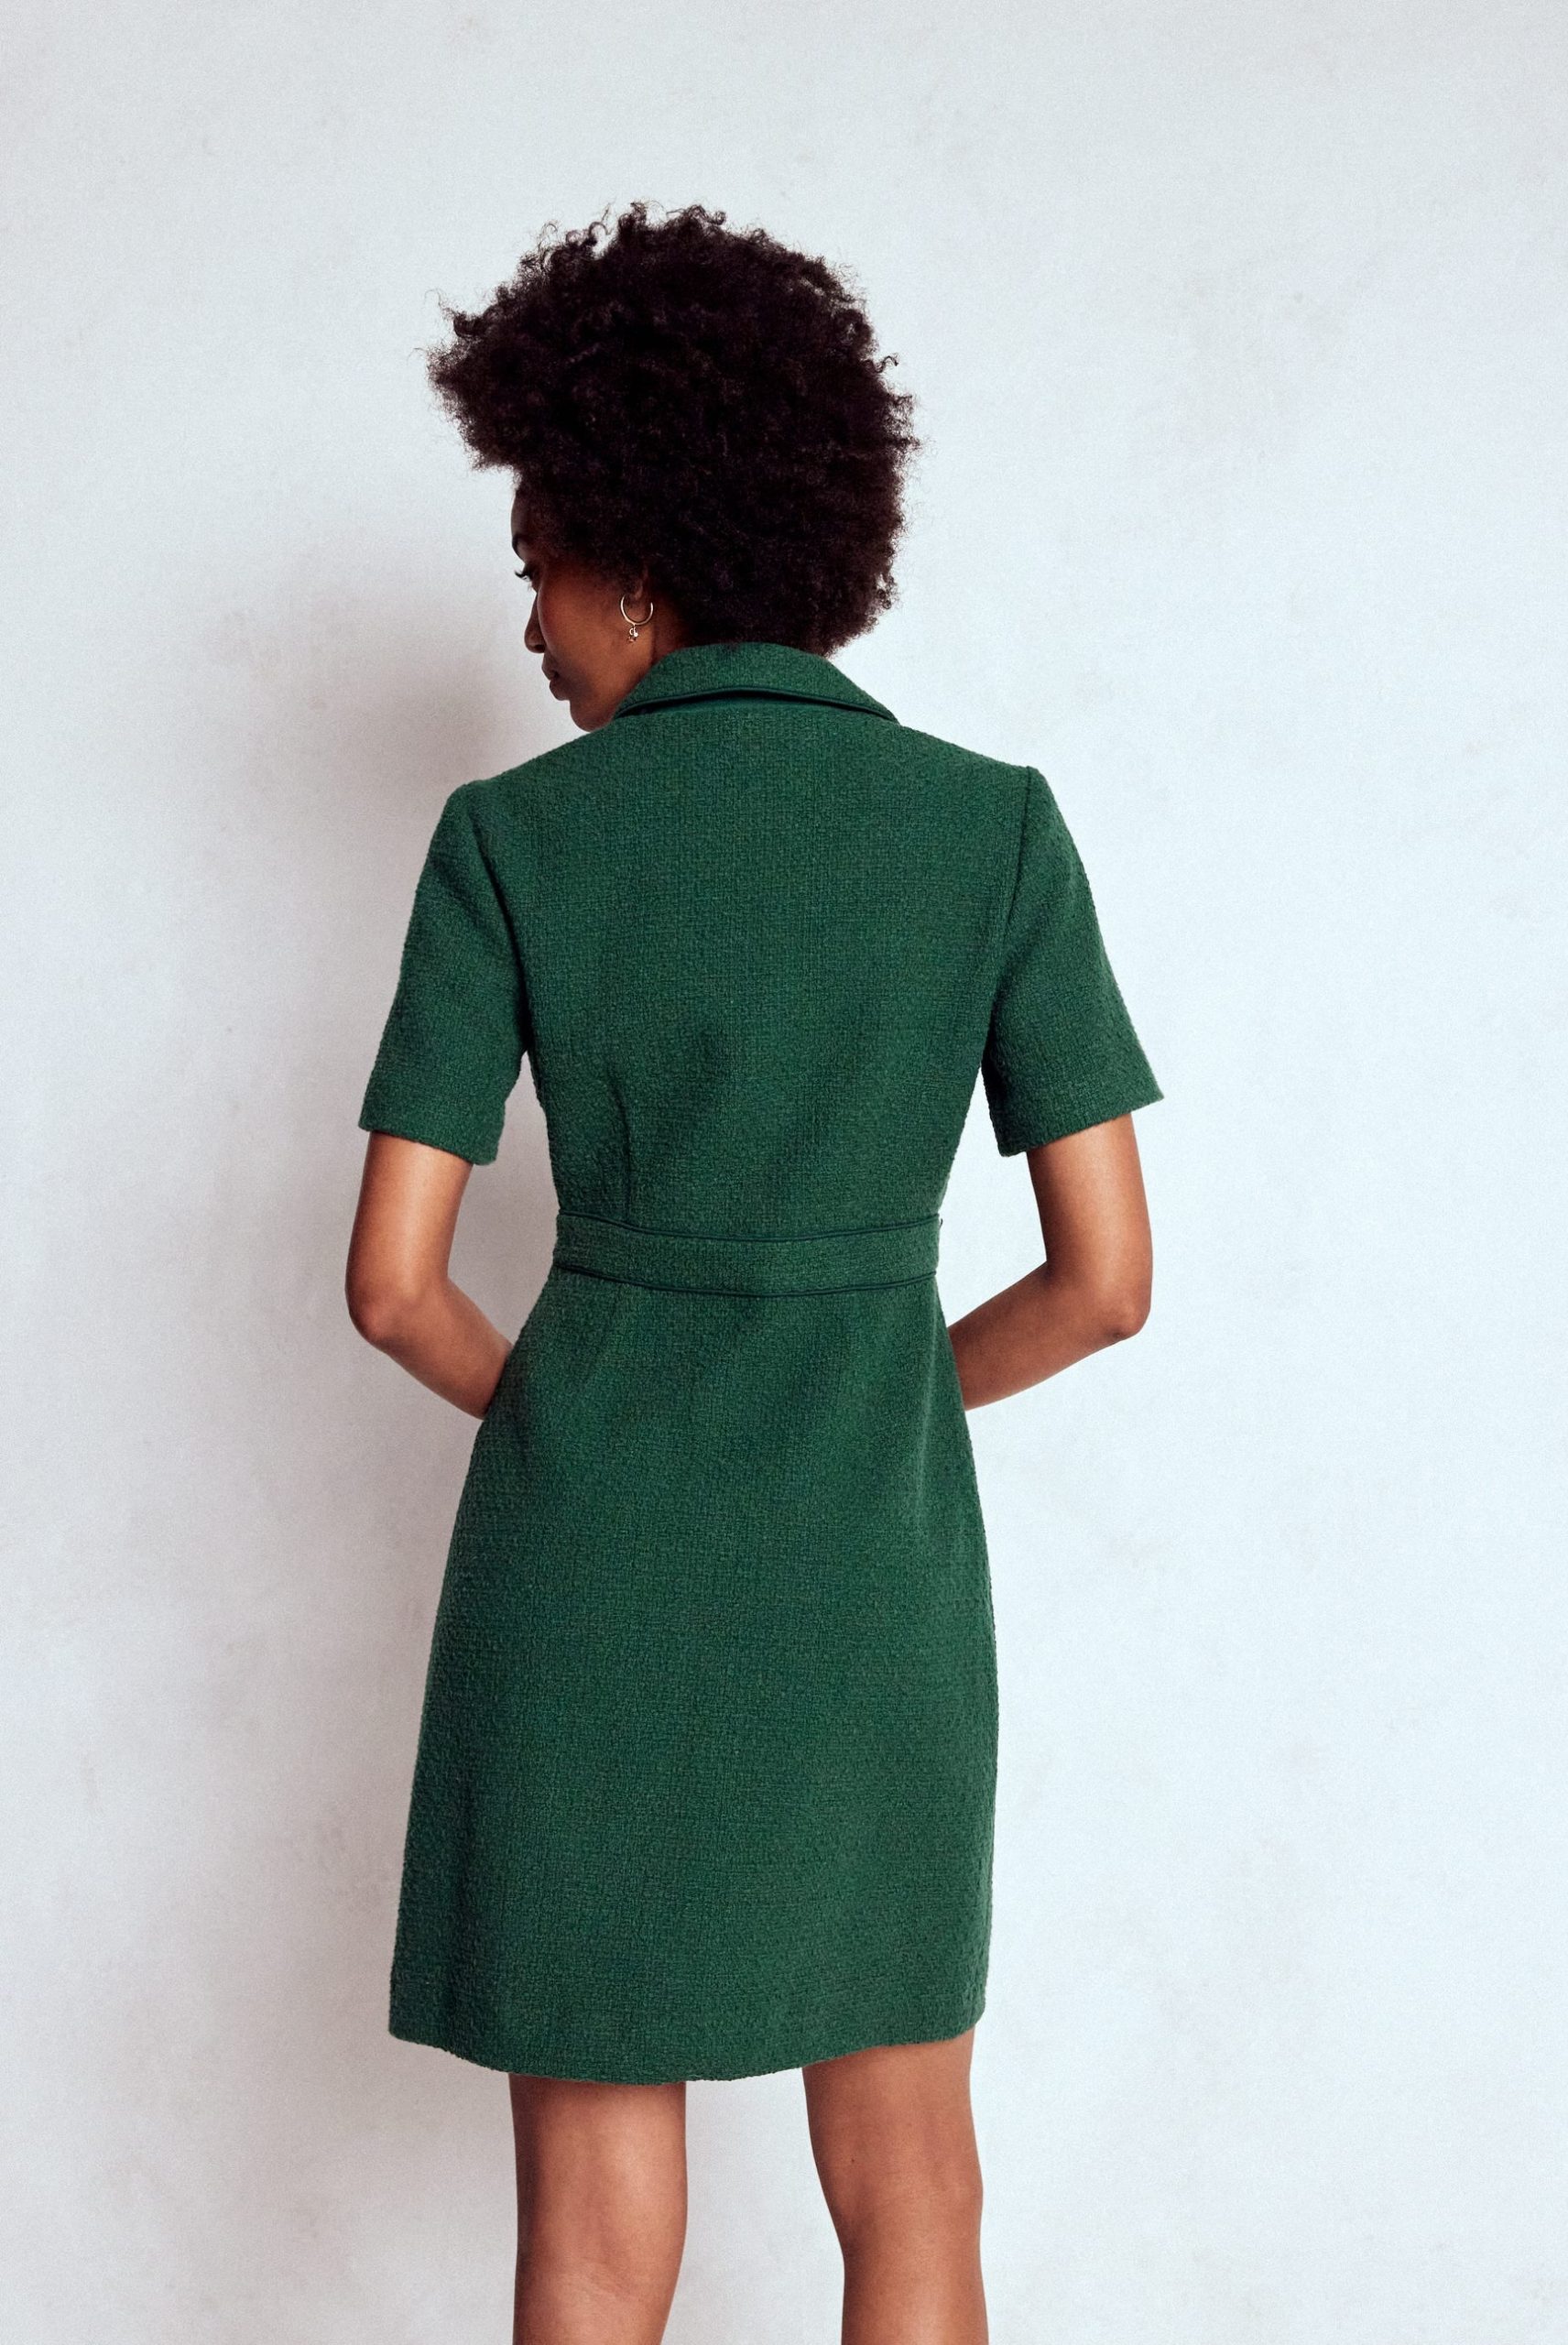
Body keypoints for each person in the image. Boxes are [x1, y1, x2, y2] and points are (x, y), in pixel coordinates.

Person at [344, 202, 1161, 2345]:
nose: (531, 624)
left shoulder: (514, 840)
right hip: (871, 1574)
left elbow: (396, 1284)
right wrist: (879, 1394)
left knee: (592, 2237)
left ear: (635, 559)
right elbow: (1104, 1279)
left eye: (538, 562)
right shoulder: (994, 830)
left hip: (591, 1578)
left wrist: (586, 1424)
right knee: (915, 2186)